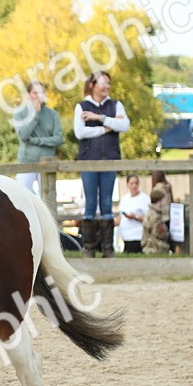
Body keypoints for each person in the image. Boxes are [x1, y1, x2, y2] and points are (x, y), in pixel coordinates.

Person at [74, 71, 130, 257]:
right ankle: (89, 248)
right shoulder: (82, 106)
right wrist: (106, 129)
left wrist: (100, 118)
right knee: (90, 203)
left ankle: (108, 248)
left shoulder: (115, 105)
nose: (106, 87)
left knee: (107, 203)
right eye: (103, 83)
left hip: (109, 159)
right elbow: (80, 133)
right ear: (92, 85)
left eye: (108, 83)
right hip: (89, 159)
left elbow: (125, 126)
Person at [14, 81, 63, 193]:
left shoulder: (52, 114)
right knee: (23, 195)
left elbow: (58, 138)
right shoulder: (20, 113)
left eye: (41, 93)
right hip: (27, 161)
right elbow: (23, 135)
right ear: (28, 95)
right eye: (35, 93)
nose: (38, 96)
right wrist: (36, 114)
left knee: (47, 196)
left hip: (47, 161)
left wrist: (36, 140)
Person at [116, 174, 150, 254]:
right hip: (126, 237)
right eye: (132, 183)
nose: (134, 186)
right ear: (127, 184)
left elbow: (148, 219)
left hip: (138, 237)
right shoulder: (124, 199)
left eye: (136, 183)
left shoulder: (145, 199)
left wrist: (135, 217)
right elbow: (119, 218)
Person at [149, 170, 177, 253]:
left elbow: (154, 202)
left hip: (161, 216)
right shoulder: (168, 186)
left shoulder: (157, 188)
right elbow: (172, 200)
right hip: (170, 215)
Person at [141, 185, 170, 255]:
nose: (167, 202)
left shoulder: (150, 213)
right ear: (160, 200)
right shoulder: (156, 217)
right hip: (156, 250)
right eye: (165, 199)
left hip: (148, 249)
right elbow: (161, 234)